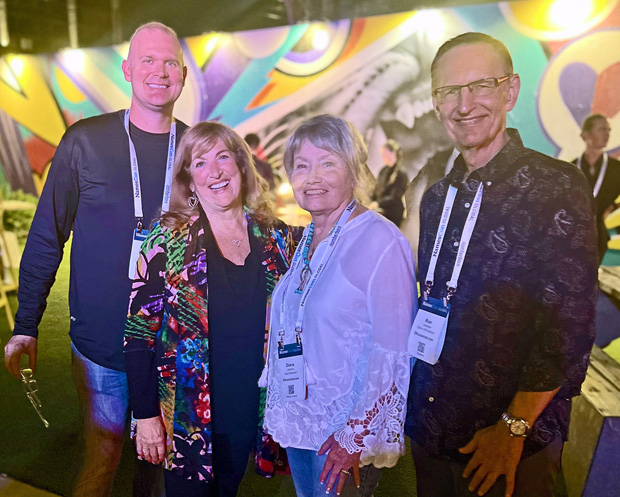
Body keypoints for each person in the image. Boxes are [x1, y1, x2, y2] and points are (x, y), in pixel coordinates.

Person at [405, 32, 598, 497]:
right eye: (450, 91)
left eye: (481, 85)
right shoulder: (436, 198)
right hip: (432, 428)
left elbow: (569, 328)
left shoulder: (556, 186)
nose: (464, 104)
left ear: (510, 91)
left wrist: (513, 428)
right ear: (435, 103)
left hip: (508, 445)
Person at [3, 22, 188, 497]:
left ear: (183, 75)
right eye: (148, 60)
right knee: (101, 461)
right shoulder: (84, 141)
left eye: (170, 62)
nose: (160, 71)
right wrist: (26, 324)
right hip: (101, 346)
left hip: (173, 347)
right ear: (127, 70)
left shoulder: (197, 152)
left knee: (162, 472)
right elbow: (47, 235)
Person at [124, 121, 294, 497]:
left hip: (250, 407)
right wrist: (145, 414)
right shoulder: (167, 238)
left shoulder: (276, 236)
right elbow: (137, 334)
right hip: (187, 416)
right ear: (189, 179)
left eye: (223, 157)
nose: (215, 171)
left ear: (242, 165)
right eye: (200, 163)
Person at [261, 114, 416, 497]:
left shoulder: (380, 241)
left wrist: (355, 435)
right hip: (303, 422)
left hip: (343, 437)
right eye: (302, 166)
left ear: (354, 170)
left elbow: (394, 351)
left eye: (328, 163)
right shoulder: (311, 237)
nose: (313, 178)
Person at [572, 113, 620, 263]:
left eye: (608, 130)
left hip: (601, 236)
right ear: (586, 135)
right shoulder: (571, 168)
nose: (607, 134)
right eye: (602, 129)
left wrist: (613, 208)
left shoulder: (616, 169)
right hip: (574, 236)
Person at [369, 139, 408, 226]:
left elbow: (396, 196)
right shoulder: (383, 170)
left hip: (392, 213)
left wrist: (378, 203)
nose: (383, 157)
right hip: (380, 209)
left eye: (385, 154)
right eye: (382, 154)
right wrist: (372, 199)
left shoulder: (401, 174)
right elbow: (377, 189)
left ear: (393, 153)